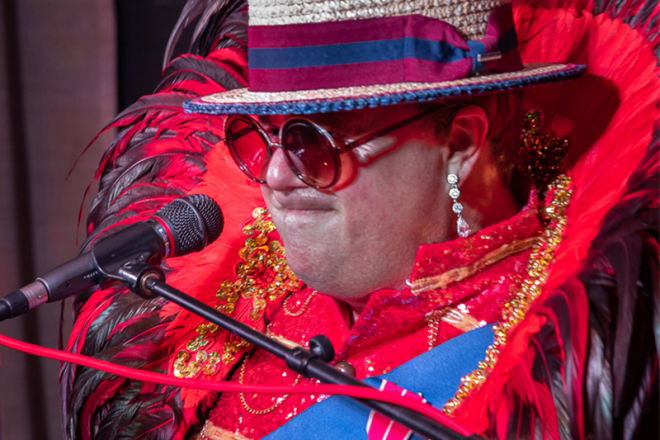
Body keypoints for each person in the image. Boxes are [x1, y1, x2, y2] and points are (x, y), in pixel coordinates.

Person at [61, 0, 658, 439]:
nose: (274, 176)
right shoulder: (226, 307)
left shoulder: (549, 345)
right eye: (257, 139)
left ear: (461, 142)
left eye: (314, 142)